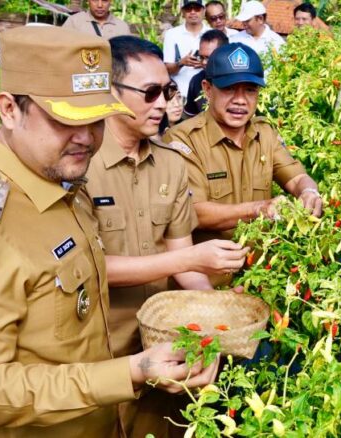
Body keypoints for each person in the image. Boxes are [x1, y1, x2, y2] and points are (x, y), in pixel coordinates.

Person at [0, 26, 219, 437]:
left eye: (98, 120)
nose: (86, 139)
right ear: (9, 109)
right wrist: (128, 373)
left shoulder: (59, 182)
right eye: (64, 120)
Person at [86, 35, 247, 437]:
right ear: (110, 93)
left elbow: (183, 259)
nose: (163, 104)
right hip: (97, 345)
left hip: (162, 342)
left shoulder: (171, 166)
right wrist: (190, 260)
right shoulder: (80, 164)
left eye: (168, 91)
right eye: (150, 93)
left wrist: (220, 313)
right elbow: (87, 267)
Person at [165, 43, 321, 286]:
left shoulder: (264, 133)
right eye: (229, 89)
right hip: (206, 283)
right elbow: (195, 213)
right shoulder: (184, 140)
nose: (240, 101)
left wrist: (309, 192)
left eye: (249, 90)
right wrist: (260, 208)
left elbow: (296, 177)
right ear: (208, 89)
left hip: (263, 278)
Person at [164, 0, 209, 91]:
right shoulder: (171, 34)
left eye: (196, 8)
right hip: (179, 92)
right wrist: (181, 63)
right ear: (183, 12)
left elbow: (220, 66)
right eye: (188, 9)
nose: (192, 12)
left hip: (205, 92)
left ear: (204, 11)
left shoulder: (211, 33)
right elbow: (167, 69)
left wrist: (205, 63)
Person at [183, 29, 228, 119]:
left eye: (208, 57)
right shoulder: (196, 81)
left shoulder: (239, 79)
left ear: (224, 54)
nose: (203, 62)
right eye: (201, 57)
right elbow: (190, 118)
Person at [62, 0, 133, 38]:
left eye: (105, 0)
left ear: (111, 1)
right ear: (88, 1)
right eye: (95, 0)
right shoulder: (74, 22)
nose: (100, 5)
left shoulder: (122, 27)